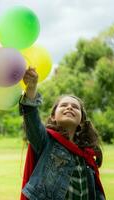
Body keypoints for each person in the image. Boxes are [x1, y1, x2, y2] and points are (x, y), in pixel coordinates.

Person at [19, 67, 106, 200]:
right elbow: (31, 118)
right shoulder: (45, 141)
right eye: (64, 105)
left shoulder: (86, 154)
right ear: (53, 116)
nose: (69, 107)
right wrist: (31, 88)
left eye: (75, 107)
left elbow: (96, 193)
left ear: (81, 121)